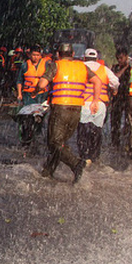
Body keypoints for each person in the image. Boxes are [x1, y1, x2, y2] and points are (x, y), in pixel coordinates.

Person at [36, 43, 101, 184]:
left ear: (58, 55)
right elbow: (97, 81)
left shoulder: (56, 65)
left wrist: (38, 88)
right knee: (60, 143)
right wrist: (95, 101)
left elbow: (42, 84)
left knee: (54, 142)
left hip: (61, 108)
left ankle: (77, 164)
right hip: (76, 110)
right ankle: (47, 172)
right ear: (72, 54)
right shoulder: (82, 66)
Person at [77, 48, 119, 164]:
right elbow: (115, 82)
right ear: (97, 59)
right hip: (100, 104)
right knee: (96, 130)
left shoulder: (80, 68)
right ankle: (94, 157)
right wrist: (114, 90)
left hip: (83, 103)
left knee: (82, 130)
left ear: (84, 58)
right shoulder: (104, 69)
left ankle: (83, 156)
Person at [15, 44, 50, 147]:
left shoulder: (46, 64)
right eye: (33, 55)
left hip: (42, 96)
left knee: (40, 119)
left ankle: (37, 139)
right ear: (30, 55)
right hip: (28, 96)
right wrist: (19, 94)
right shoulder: (25, 65)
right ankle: (26, 142)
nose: (35, 57)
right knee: (27, 120)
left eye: (37, 55)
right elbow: (19, 81)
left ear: (41, 55)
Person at [110, 47, 132, 147]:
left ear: (126, 57)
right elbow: (114, 77)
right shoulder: (115, 68)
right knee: (115, 121)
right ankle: (115, 141)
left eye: (121, 58)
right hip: (117, 98)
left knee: (128, 121)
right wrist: (124, 68)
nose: (119, 60)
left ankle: (127, 141)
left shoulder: (131, 69)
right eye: (118, 58)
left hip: (127, 97)